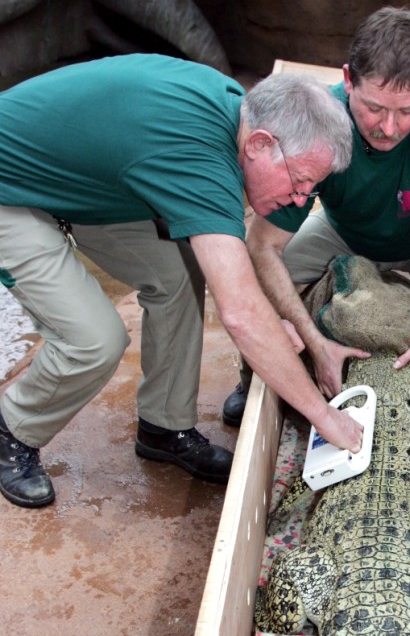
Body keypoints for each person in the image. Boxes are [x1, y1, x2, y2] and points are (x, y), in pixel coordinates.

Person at [0, 56, 363, 509]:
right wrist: (322, 415)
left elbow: (231, 278)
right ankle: (12, 429)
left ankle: (163, 427)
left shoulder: (237, 110)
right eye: (300, 181)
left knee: (176, 274)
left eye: (310, 191)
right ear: (260, 144)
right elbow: (240, 312)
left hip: (83, 185)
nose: (299, 199)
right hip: (10, 188)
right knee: (93, 340)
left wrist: (269, 322)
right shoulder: (200, 159)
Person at [222, 6, 410, 427]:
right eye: (374, 108)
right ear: (348, 80)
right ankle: (256, 380)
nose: (389, 127)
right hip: (344, 231)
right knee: (251, 274)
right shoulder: (323, 116)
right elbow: (263, 243)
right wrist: (314, 342)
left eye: (407, 111)